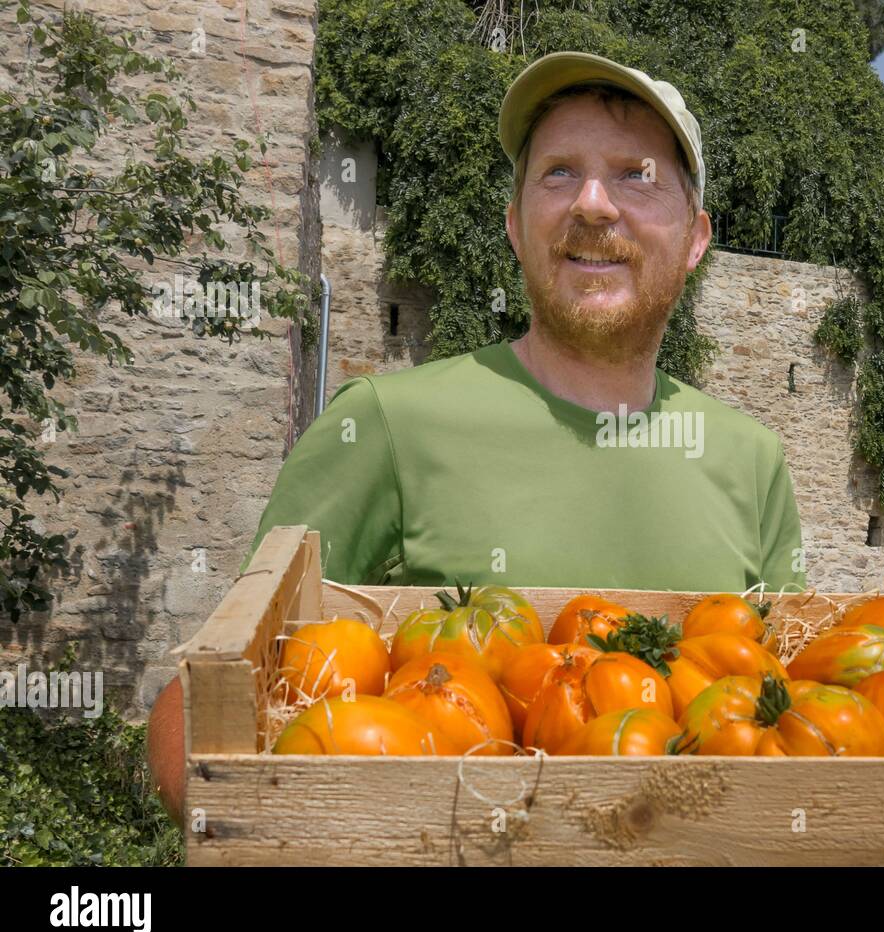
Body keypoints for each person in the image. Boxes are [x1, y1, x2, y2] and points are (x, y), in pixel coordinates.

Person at [239, 51, 807, 593]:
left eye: (636, 175)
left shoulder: (754, 466)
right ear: (515, 226)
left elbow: (798, 685)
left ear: (695, 240)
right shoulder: (382, 426)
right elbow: (228, 674)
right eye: (559, 172)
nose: (592, 204)